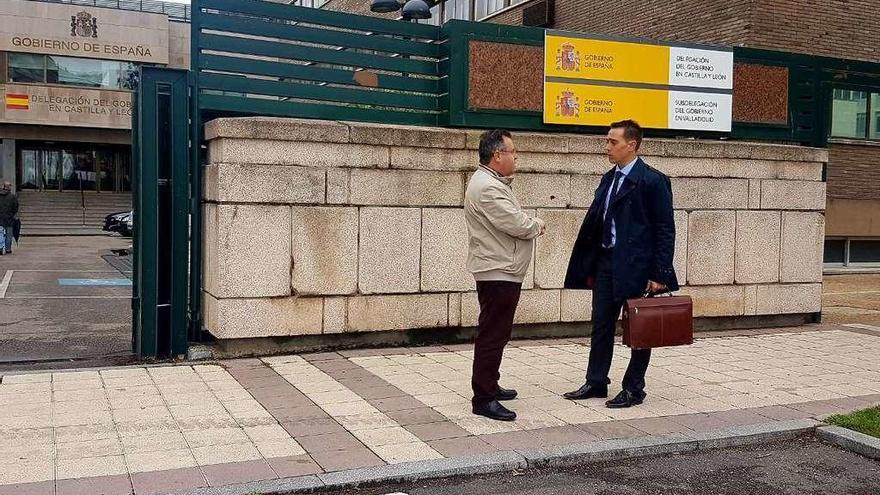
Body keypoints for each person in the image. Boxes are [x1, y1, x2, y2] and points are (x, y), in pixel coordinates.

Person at [562, 120, 678, 408]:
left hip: (638, 266)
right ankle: (596, 381)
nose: (607, 147)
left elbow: (665, 228)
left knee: (640, 327)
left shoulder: (653, 181)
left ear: (632, 145)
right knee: (601, 324)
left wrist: (659, 272)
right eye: (607, 141)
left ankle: (634, 388)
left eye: (613, 142)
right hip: (605, 263)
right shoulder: (608, 178)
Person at [465, 129, 545, 421]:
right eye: (512, 152)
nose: (516, 157)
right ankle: (483, 398)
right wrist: (536, 224)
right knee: (492, 333)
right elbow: (515, 223)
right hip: (498, 269)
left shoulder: (493, 182)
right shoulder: (488, 187)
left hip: (501, 268)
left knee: (498, 332)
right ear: (497, 155)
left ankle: (491, 385)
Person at [0, 182, 18, 255]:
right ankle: (8, 249)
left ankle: (0, 248)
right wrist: (12, 214)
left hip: (0, 218)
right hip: (9, 218)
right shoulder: (12, 197)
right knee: (9, 235)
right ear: (9, 187)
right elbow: (15, 207)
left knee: (0, 234)